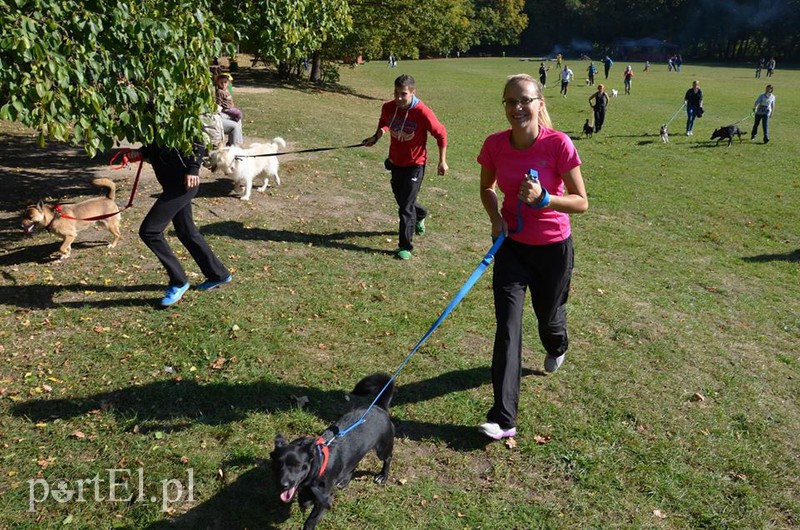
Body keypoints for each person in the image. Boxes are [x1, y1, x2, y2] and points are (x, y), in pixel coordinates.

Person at [477, 74, 588, 440]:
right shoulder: (495, 145)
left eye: (524, 100)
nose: (517, 108)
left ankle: (558, 343)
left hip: (553, 249)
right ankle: (503, 418)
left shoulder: (558, 145)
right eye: (509, 101)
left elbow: (581, 202)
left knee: (549, 318)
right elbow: (487, 188)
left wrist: (545, 200)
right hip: (511, 247)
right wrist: (496, 220)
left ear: (540, 103)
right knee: (507, 328)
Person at [131, 141, 232, 307]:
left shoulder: (175, 114)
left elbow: (197, 140)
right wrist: (141, 152)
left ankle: (179, 281)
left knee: (150, 231)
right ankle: (218, 274)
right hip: (171, 184)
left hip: (183, 184)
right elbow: (159, 144)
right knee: (186, 231)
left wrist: (193, 169)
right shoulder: (152, 118)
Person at [362, 74, 448, 260]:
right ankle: (422, 213)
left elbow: (441, 134)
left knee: (405, 207)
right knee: (402, 199)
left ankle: (405, 246)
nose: (399, 98)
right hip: (395, 162)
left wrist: (442, 160)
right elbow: (384, 122)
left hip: (415, 164)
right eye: (396, 93)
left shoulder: (423, 112)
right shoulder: (388, 107)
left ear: (412, 92)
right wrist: (376, 137)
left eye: (403, 94)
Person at [214, 73, 243, 146]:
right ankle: (235, 144)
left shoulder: (227, 90)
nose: (223, 84)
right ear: (218, 83)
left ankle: (234, 142)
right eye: (221, 82)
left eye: (225, 82)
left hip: (229, 109)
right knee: (238, 118)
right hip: (224, 111)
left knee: (239, 119)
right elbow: (219, 103)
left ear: (228, 83)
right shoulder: (220, 92)